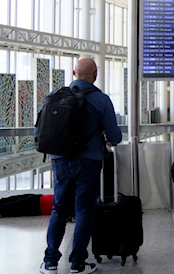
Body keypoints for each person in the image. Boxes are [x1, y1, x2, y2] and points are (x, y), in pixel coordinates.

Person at [39, 58, 122, 274]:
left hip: (59, 159)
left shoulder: (55, 95)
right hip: (89, 161)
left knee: (58, 209)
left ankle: (50, 262)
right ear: (95, 74)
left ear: (74, 73)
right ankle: (77, 264)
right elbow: (115, 136)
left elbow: (40, 129)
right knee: (84, 209)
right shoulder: (101, 100)